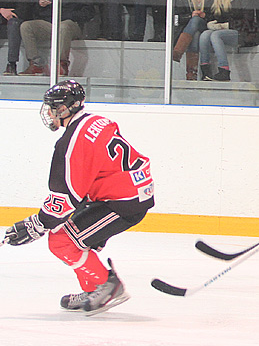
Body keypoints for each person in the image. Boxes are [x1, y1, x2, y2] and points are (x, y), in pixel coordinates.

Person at [3, 80, 154, 314]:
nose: (50, 113)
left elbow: (64, 198)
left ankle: (107, 286)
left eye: (53, 108)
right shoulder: (95, 120)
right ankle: (95, 287)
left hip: (123, 201)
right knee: (73, 237)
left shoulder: (72, 143)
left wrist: (39, 224)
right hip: (129, 192)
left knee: (61, 241)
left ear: (64, 109)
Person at [20, 0, 95, 76]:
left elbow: (89, 11)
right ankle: (36, 63)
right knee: (26, 26)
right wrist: (40, 6)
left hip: (72, 24)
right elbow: (35, 11)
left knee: (64, 27)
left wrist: (67, 13)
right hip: (50, 23)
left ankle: (62, 63)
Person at [198, 0, 254, 81]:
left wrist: (225, 26)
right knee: (205, 35)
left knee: (215, 35)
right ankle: (205, 71)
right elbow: (217, 17)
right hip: (225, 31)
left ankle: (224, 70)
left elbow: (248, 21)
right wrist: (211, 22)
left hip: (242, 33)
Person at [0, 0, 33, 75]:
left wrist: (8, 14)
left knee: (13, 23)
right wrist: (2, 11)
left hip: (15, 19)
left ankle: (12, 64)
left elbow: (23, 9)